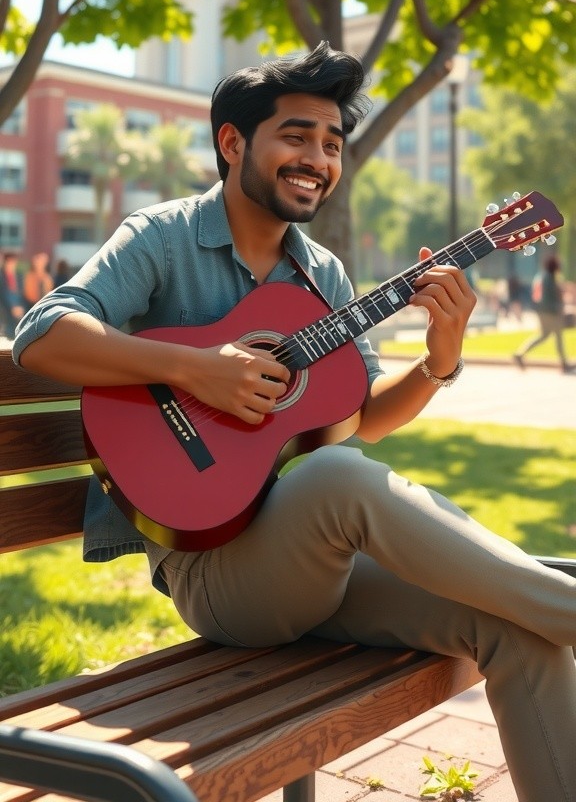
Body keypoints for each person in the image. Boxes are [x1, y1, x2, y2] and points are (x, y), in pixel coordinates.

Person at [12, 43, 576, 802]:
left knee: (520, 632)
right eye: (297, 135)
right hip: (215, 574)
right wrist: (196, 367)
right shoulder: (162, 238)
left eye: (333, 143)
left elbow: (365, 417)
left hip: (311, 564)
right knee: (338, 475)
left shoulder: (323, 275)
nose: (318, 158)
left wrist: (439, 359)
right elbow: (43, 333)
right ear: (232, 142)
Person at [513, 255, 574, 374]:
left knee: (544, 335)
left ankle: (520, 354)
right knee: (558, 337)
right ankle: (564, 363)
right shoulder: (549, 278)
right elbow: (552, 296)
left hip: (543, 311)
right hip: (551, 312)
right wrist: (560, 308)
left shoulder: (543, 276)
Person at [0, 252, 26, 337]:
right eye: (9, 262)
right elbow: (3, 294)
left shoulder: (20, 276)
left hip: (19, 305)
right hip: (6, 306)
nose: (12, 265)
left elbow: (23, 294)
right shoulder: (1, 276)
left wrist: (21, 307)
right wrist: (12, 307)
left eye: (14, 262)